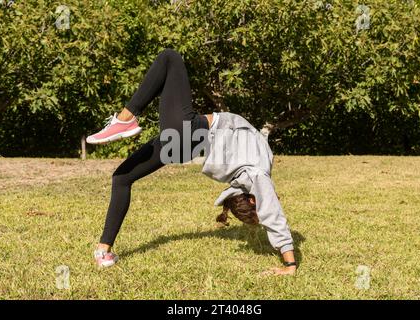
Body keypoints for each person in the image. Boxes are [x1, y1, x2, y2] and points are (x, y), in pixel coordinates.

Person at [87, 49, 297, 275]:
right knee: (122, 178)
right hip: (184, 143)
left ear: (253, 201)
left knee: (170, 58)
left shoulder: (257, 174)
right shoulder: (248, 175)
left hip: (190, 132)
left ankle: (124, 119)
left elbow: (272, 214)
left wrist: (290, 265)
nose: (277, 196)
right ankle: (103, 252)